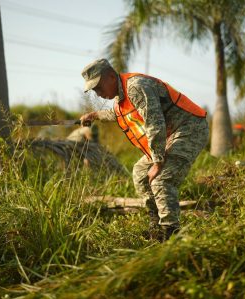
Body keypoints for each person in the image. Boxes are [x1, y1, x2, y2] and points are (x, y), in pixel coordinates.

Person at [79, 58, 209, 241]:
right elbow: (117, 114)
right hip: (169, 135)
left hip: (189, 128)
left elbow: (155, 123)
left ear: (110, 76)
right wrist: (94, 115)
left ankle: (170, 232)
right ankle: (155, 223)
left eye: (98, 87)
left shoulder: (136, 87)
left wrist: (157, 161)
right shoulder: (120, 98)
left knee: (160, 178)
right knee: (140, 173)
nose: (98, 94)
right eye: (94, 90)